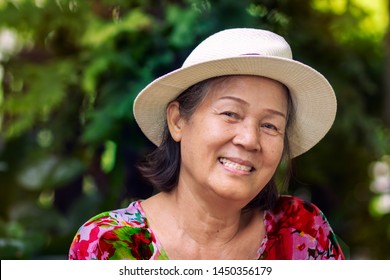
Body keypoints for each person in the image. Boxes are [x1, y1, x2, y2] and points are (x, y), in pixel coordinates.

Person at [68, 28, 345, 260]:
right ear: (178, 121)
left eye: (270, 125)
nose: (249, 139)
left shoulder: (302, 231)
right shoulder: (107, 245)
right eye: (230, 114)